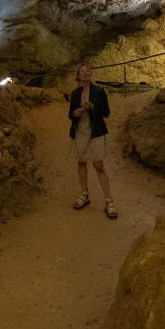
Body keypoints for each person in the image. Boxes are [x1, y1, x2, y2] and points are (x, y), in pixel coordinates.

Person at [68, 63, 118, 219]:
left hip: (95, 131)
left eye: (88, 71)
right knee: (81, 162)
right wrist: (75, 113)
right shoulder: (75, 93)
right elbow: (70, 114)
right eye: (83, 71)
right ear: (78, 75)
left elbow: (107, 113)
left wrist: (93, 107)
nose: (86, 73)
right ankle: (84, 194)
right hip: (80, 131)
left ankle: (109, 202)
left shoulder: (99, 91)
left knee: (98, 164)